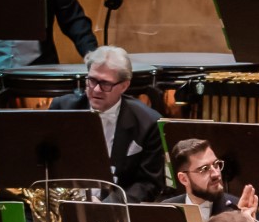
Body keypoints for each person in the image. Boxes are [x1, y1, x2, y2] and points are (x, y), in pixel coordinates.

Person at [43, 46, 166, 204]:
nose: (96, 89)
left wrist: (108, 205)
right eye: (92, 80)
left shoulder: (148, 122)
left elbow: (149, 183)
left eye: (105, 84)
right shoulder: (62, 109)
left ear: (124, 86)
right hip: (65, 204)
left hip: (117, 210)